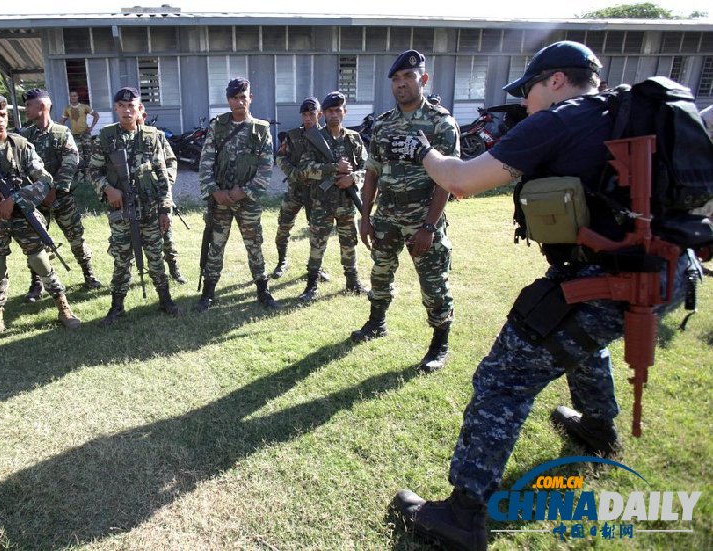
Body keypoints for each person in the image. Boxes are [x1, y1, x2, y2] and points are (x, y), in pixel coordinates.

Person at [390, 41, 695, 550]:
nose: (526, 103)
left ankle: (462, 515)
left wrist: (423, 151)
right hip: (669, 272)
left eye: (528, 91)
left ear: (554, 80)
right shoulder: (629, 113)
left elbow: (462, 181)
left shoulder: (561, 119)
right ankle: (597, 426)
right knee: (576, 336)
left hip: (610, 278)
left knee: (503, 379)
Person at [351, 49, 457, 375]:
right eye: (396, 79)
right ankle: (376, 322)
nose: (401, 84)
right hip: (387, 216)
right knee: (380, 272)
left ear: (423, 79)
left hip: (423, 215)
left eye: (408, 77)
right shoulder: (382, 126)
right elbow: (371, 173)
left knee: (432, 281)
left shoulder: (441, 123)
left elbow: (447, 179)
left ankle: (440, 342)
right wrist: (366, 217)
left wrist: (428, 225)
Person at [0, 95, 81, 343]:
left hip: (22, 214)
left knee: (40, 261)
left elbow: (45, 180)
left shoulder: (21, 145)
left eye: (2, 115)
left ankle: (63, 307)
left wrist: (16, 198)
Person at [90, 87, 179, 323]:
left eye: (132, 106)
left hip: (150, 209)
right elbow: (93, 170)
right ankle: (117, 306)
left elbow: (162, 174)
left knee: (155, 256)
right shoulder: (106, 137)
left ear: (139, 109)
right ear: (116, 109)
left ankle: (165, 299)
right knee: (121, 259)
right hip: (121, 211)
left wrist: (165, 209)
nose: (127, 110)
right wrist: (108, 189)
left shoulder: (152, 136)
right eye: (122, 106)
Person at [195, 77, 278, 311]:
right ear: (228, 100)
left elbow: (266, 167)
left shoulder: (261, 130)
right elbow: (205, 162)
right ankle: (209, 292)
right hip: (220, 201)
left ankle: (263, 290)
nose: (239, 102)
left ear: (250, 98)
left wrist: (245, 191)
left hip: (248, 202)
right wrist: (214, 191)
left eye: (243, 97)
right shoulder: (217, 126)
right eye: (234, 97)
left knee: (254, 245)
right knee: (216, 244)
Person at [18, 89, 102, 300]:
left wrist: (54, 190)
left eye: (30, 105)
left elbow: (71, 161)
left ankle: (88, 274)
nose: (26, 109)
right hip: (34, 200)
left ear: (43, 106)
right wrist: (37, 192)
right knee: (35, 242)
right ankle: (36, 284)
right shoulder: (23, 136)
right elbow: (18, 167)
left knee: (76, 237)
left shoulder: (62, 133)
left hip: (61, 197)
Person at [295, 91, 368, 302]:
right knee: (317, 243)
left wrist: (353, 178)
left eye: (338, 110)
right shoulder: (314, 139)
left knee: (349, 242)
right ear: (323, 114)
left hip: (347, 202)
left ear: (344, 111)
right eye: (329, 111)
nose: (334, 114)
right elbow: (305, 168)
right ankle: (311, 285)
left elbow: (368, 168)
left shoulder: (354, 139)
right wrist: (333, 168)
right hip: (322, 202)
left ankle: (352, 282)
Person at [271, 97, 328, 282]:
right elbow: (280, 157)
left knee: (317, 230)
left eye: (312, 114)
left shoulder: (327, 135)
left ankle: (317, 267)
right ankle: (282, 261)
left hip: (317, 193)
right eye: (304, 114)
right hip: (295, 190)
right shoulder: (293, 135)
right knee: (284, 227)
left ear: (319, 114)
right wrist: (293, 173)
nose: (308, 118)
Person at [141, 110, 187, 284]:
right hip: (135, 200)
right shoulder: (122, 138)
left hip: (158, 197)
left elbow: (171, 161)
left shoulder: (157, 136)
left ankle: (174, 269)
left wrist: (164, 183)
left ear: (143, 115)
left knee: (166, 236)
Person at [59, 90, 99, 185]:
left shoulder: (84, 107)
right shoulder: (67, 109)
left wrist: (91, 127)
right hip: (75, 136)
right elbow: (62, 121)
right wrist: (63, 131)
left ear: (78, 97)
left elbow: (96, 115)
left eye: (75, 96)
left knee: (88, 155)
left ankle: (89, 177)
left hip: (85, 135)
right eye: (72, 96)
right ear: (70, 97)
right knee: (79, 157)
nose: (73, 97)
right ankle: (81, 179)